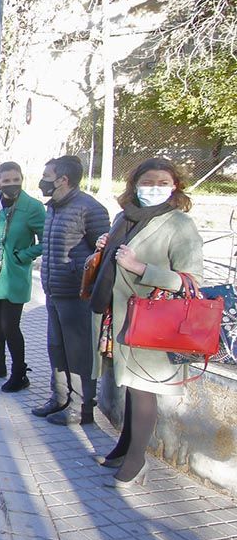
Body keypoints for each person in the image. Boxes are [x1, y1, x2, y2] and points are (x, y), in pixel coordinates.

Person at [90, 158, 203, 486]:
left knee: (143, 391)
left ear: (175, 186)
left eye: (162, 183)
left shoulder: (179, 224)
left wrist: (141, 269)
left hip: (152, 322)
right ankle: (124, 449)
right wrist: (105, 247)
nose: (154, 188)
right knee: (129, 386)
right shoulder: (124, 217)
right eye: (147, 182)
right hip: (121, 317)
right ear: (134, 184)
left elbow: (191, 280)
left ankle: (138, 462)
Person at [35, 155, 110, 425]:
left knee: (78, 354)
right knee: (56, 348)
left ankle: (82, 408)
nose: (42, 181)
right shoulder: (54, 207)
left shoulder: (90, 209)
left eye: (47, 176)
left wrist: (80, 277)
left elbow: (103, 254)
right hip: (54, 291)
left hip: (76, 295)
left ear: (63, 179)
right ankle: (59, 399)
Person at [0, 162, 45, 392]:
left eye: (15, 179)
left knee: (10, 326)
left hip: (14, 275)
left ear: (22, 179)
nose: (11, 184)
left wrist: (24, 255)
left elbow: (47, 240)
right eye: (6, 181)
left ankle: (19, 373)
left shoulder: (33, 207)